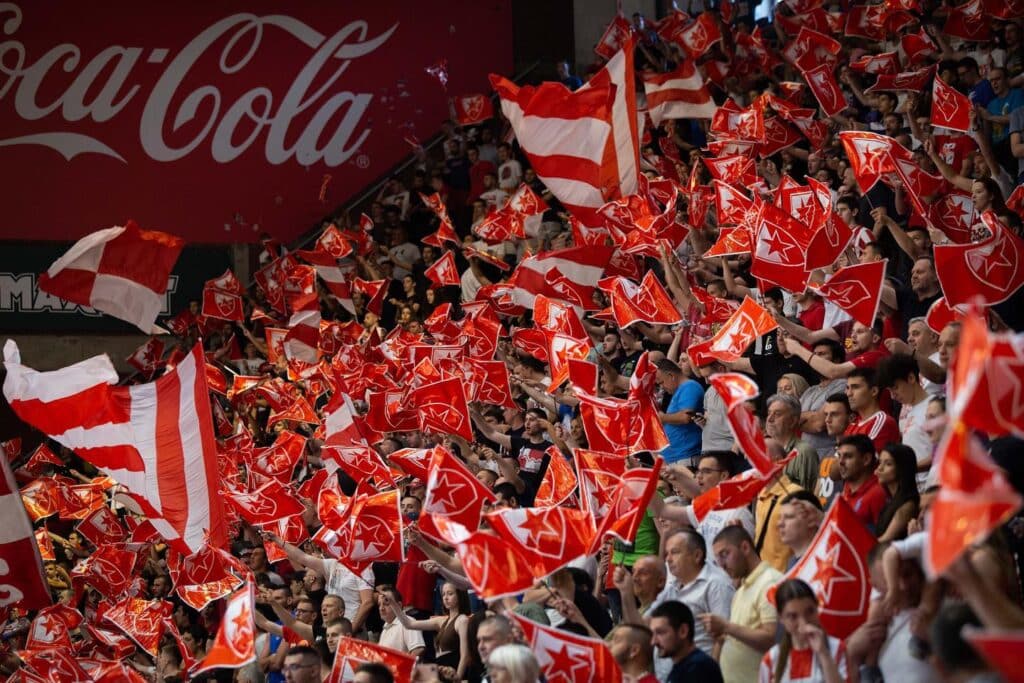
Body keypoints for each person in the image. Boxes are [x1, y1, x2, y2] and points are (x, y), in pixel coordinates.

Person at [703, 526, 783, 683]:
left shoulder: (770, 582)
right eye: (718, 559)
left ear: (745, 547)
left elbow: (773, 639)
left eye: (725, 554)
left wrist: (726, 627)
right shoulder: (741, 589)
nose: (722, 565)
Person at [759, 579, 849, 682]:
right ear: (781, 618)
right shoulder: (771, 659)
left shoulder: (836, 649)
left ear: (817, 607)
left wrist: (824, 654)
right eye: (793, 616)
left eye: (809, 612)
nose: (804, 623)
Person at [384, 582, 471, 680]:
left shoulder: (462, 620)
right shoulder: (440, 621)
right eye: (443, 594)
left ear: (460, 595)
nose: (446, 598)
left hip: (453, 669)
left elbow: (465, 655)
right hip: (440, 669)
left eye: (450, 594)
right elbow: (409, 624)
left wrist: (457, 679)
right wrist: (392, 603)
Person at [877, 353, 933, 487]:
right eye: (889, 390)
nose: (892, 396)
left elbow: (943, 453)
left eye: (895, 388)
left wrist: (907, 469)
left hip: (932, 487)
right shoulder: (905, 413)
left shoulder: (934, 407)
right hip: (914, 488)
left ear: (911, 378)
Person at [649, 601, 724, 683]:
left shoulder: (698, 668)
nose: (653, 642)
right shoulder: (683, 667)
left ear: (683, 631)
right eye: (652, 634)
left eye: (660, 632)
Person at [764, 393, 820, 493]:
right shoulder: (764, 450)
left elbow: (806, 497)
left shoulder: (804, 452)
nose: (770, 419)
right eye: (769, 413)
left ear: (793, 421)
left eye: (777, 414)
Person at [655, 359, 705, 467]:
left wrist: (662, 418)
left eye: (661, 382)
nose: (661, 387)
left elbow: (686, 416)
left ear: (671, 375)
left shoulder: (690, 386)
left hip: (685, 458)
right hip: (676, 459)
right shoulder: (680, 391)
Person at [837, 434, 888, 532]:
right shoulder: (847, 487)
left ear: (866, 459)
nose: (841, 462)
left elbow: (883, 540)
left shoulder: (877, 493)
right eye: (839, 456)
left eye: (848, 456)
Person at [844, 368, 900, 453]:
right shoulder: (852, 425)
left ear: (874, 391)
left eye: (855, 387)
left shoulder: (883, 422)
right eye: (848, 388)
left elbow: (861, 462)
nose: (849, 393)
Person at [874, 444, 920, 541]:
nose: (880, 468)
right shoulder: (891, 499)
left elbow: (885, 540)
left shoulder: (907, 505)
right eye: (880, 462)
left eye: (888, 464)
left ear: (902, 469)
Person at [777, 491, 824, 570]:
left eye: (789, 517)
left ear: (811, 519)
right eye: (779, 518)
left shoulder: (827, 557)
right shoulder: (791, 563)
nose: (780, 524)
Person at [376, 586, 425, 657]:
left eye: (386, 603)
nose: (381, 608)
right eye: (379, 605)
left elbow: (418, 649)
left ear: (399, 605)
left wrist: (401, 667)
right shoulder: (385, 627)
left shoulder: (408, 621)